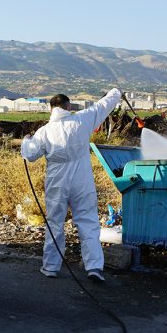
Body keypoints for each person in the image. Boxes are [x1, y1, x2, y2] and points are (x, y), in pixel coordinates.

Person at [20, 89, 123, 281]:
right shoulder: (81, 120)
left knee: (55, 223)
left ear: (51, 109)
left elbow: (30, 155)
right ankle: (94, 268)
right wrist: (116, 93)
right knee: (88, 222)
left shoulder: (45, 131)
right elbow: (102, 106)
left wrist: (26, 141)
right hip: (81, 180)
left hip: (57, 181)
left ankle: (50, 267)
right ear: (68, 107)